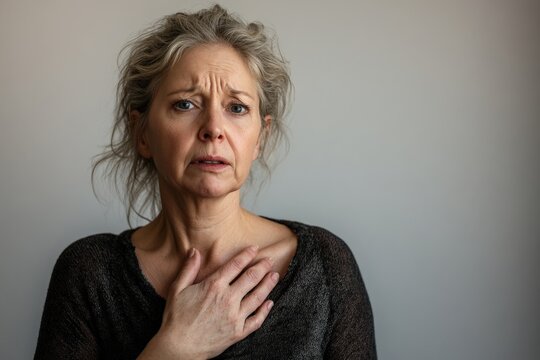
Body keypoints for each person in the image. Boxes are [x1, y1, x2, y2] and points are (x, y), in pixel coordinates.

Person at [34, 5, 377, 359]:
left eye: (237, 108)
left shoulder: (324, 265)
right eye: (185, 104)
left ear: (260, 137)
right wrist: (174, 348)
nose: (213, 128)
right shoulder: (89, 275)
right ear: (143, 134)